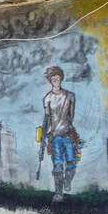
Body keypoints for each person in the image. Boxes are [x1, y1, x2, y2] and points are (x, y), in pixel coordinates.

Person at [40, 65, 81, 200]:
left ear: (61, 79)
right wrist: (44, 136)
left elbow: (71, 116)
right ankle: (58, 193)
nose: (56, 82)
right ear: (50, 81)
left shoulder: (70, 96)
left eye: (58, 79)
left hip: (68, 135)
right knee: (57, 165)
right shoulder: (47, 98)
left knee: (71, 162)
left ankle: (67, 181)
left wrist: (65, 126)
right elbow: (47, 119)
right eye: (53, 80)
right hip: (55, 136)